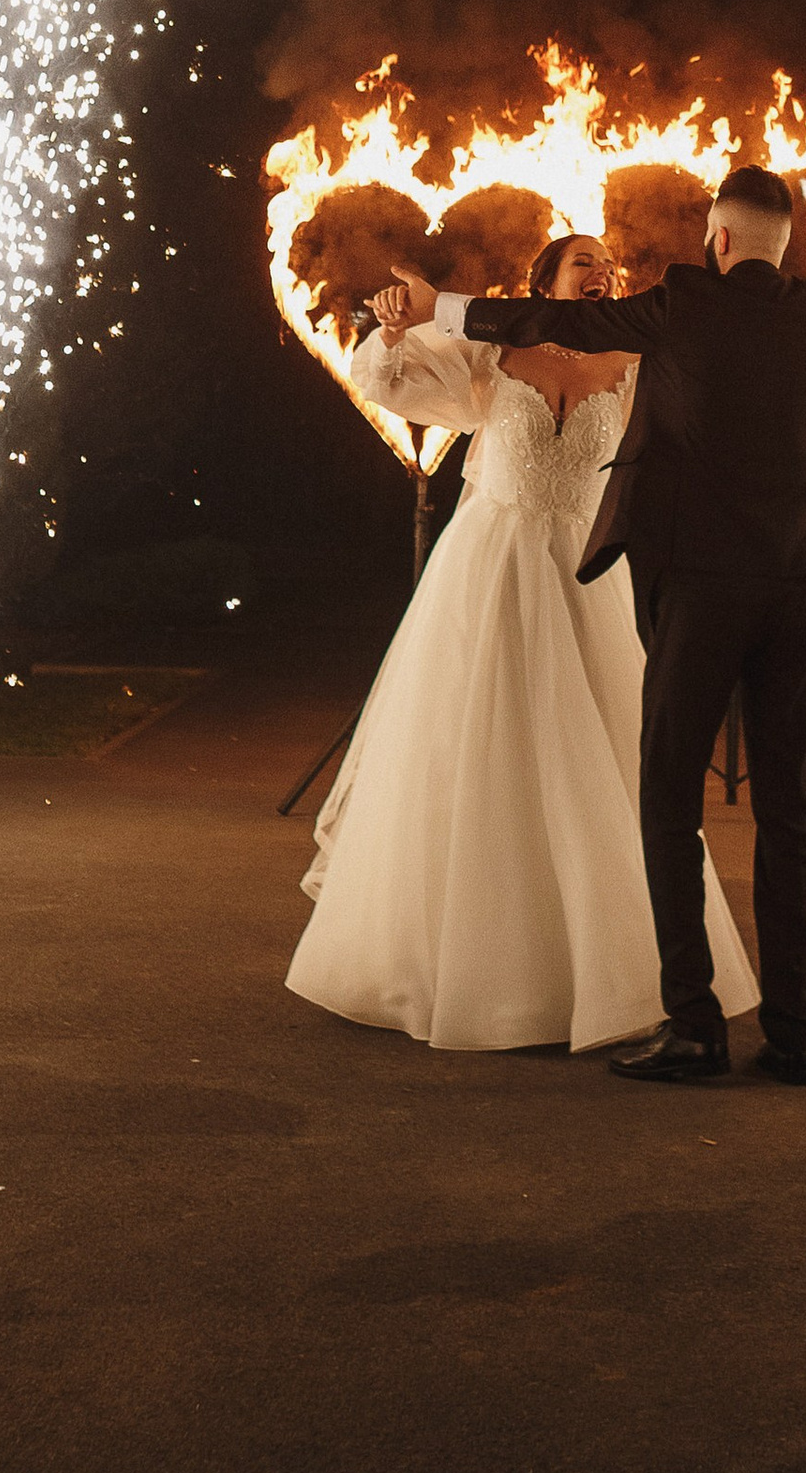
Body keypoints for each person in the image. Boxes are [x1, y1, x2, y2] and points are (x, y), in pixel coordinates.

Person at [387, 162, 806, 1090]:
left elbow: (554, 322)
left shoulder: (685, 303)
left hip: (701, 586)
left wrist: (439, 307)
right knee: (791, 808)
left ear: (717, 242)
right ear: (784, 245)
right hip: (804, 584)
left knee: (667, 801)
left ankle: (693, 1027)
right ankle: (793, 1035)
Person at [286, 232, 757, 1054]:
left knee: (596, 761)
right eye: (584, 261)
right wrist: (396, 324)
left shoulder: (634, 362)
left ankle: (602, 967)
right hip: (491, 567)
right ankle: (464, 968)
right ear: (542, 281)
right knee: (478, 750)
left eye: (611, 265)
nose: (604, 272)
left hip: (587, 575)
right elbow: (390, 379)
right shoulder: (492, 355)